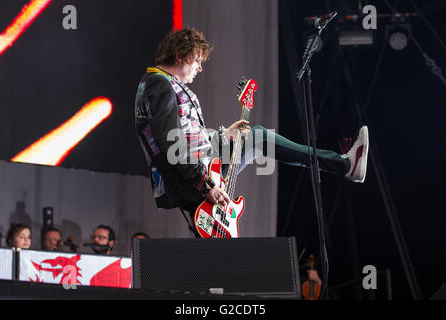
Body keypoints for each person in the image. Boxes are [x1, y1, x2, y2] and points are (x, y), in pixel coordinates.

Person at [134, 26, 369, 235]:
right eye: (197, 61)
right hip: (190, 179)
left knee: (257, 139)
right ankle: (344, 165)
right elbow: (170, 144)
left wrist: (223, 136)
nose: (199, 69)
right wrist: (204, 185)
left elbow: (186, 135)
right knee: (259, 137)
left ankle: (346, 164)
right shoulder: (159, 84)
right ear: (179, 55)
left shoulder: (163, 83)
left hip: (195, 172)